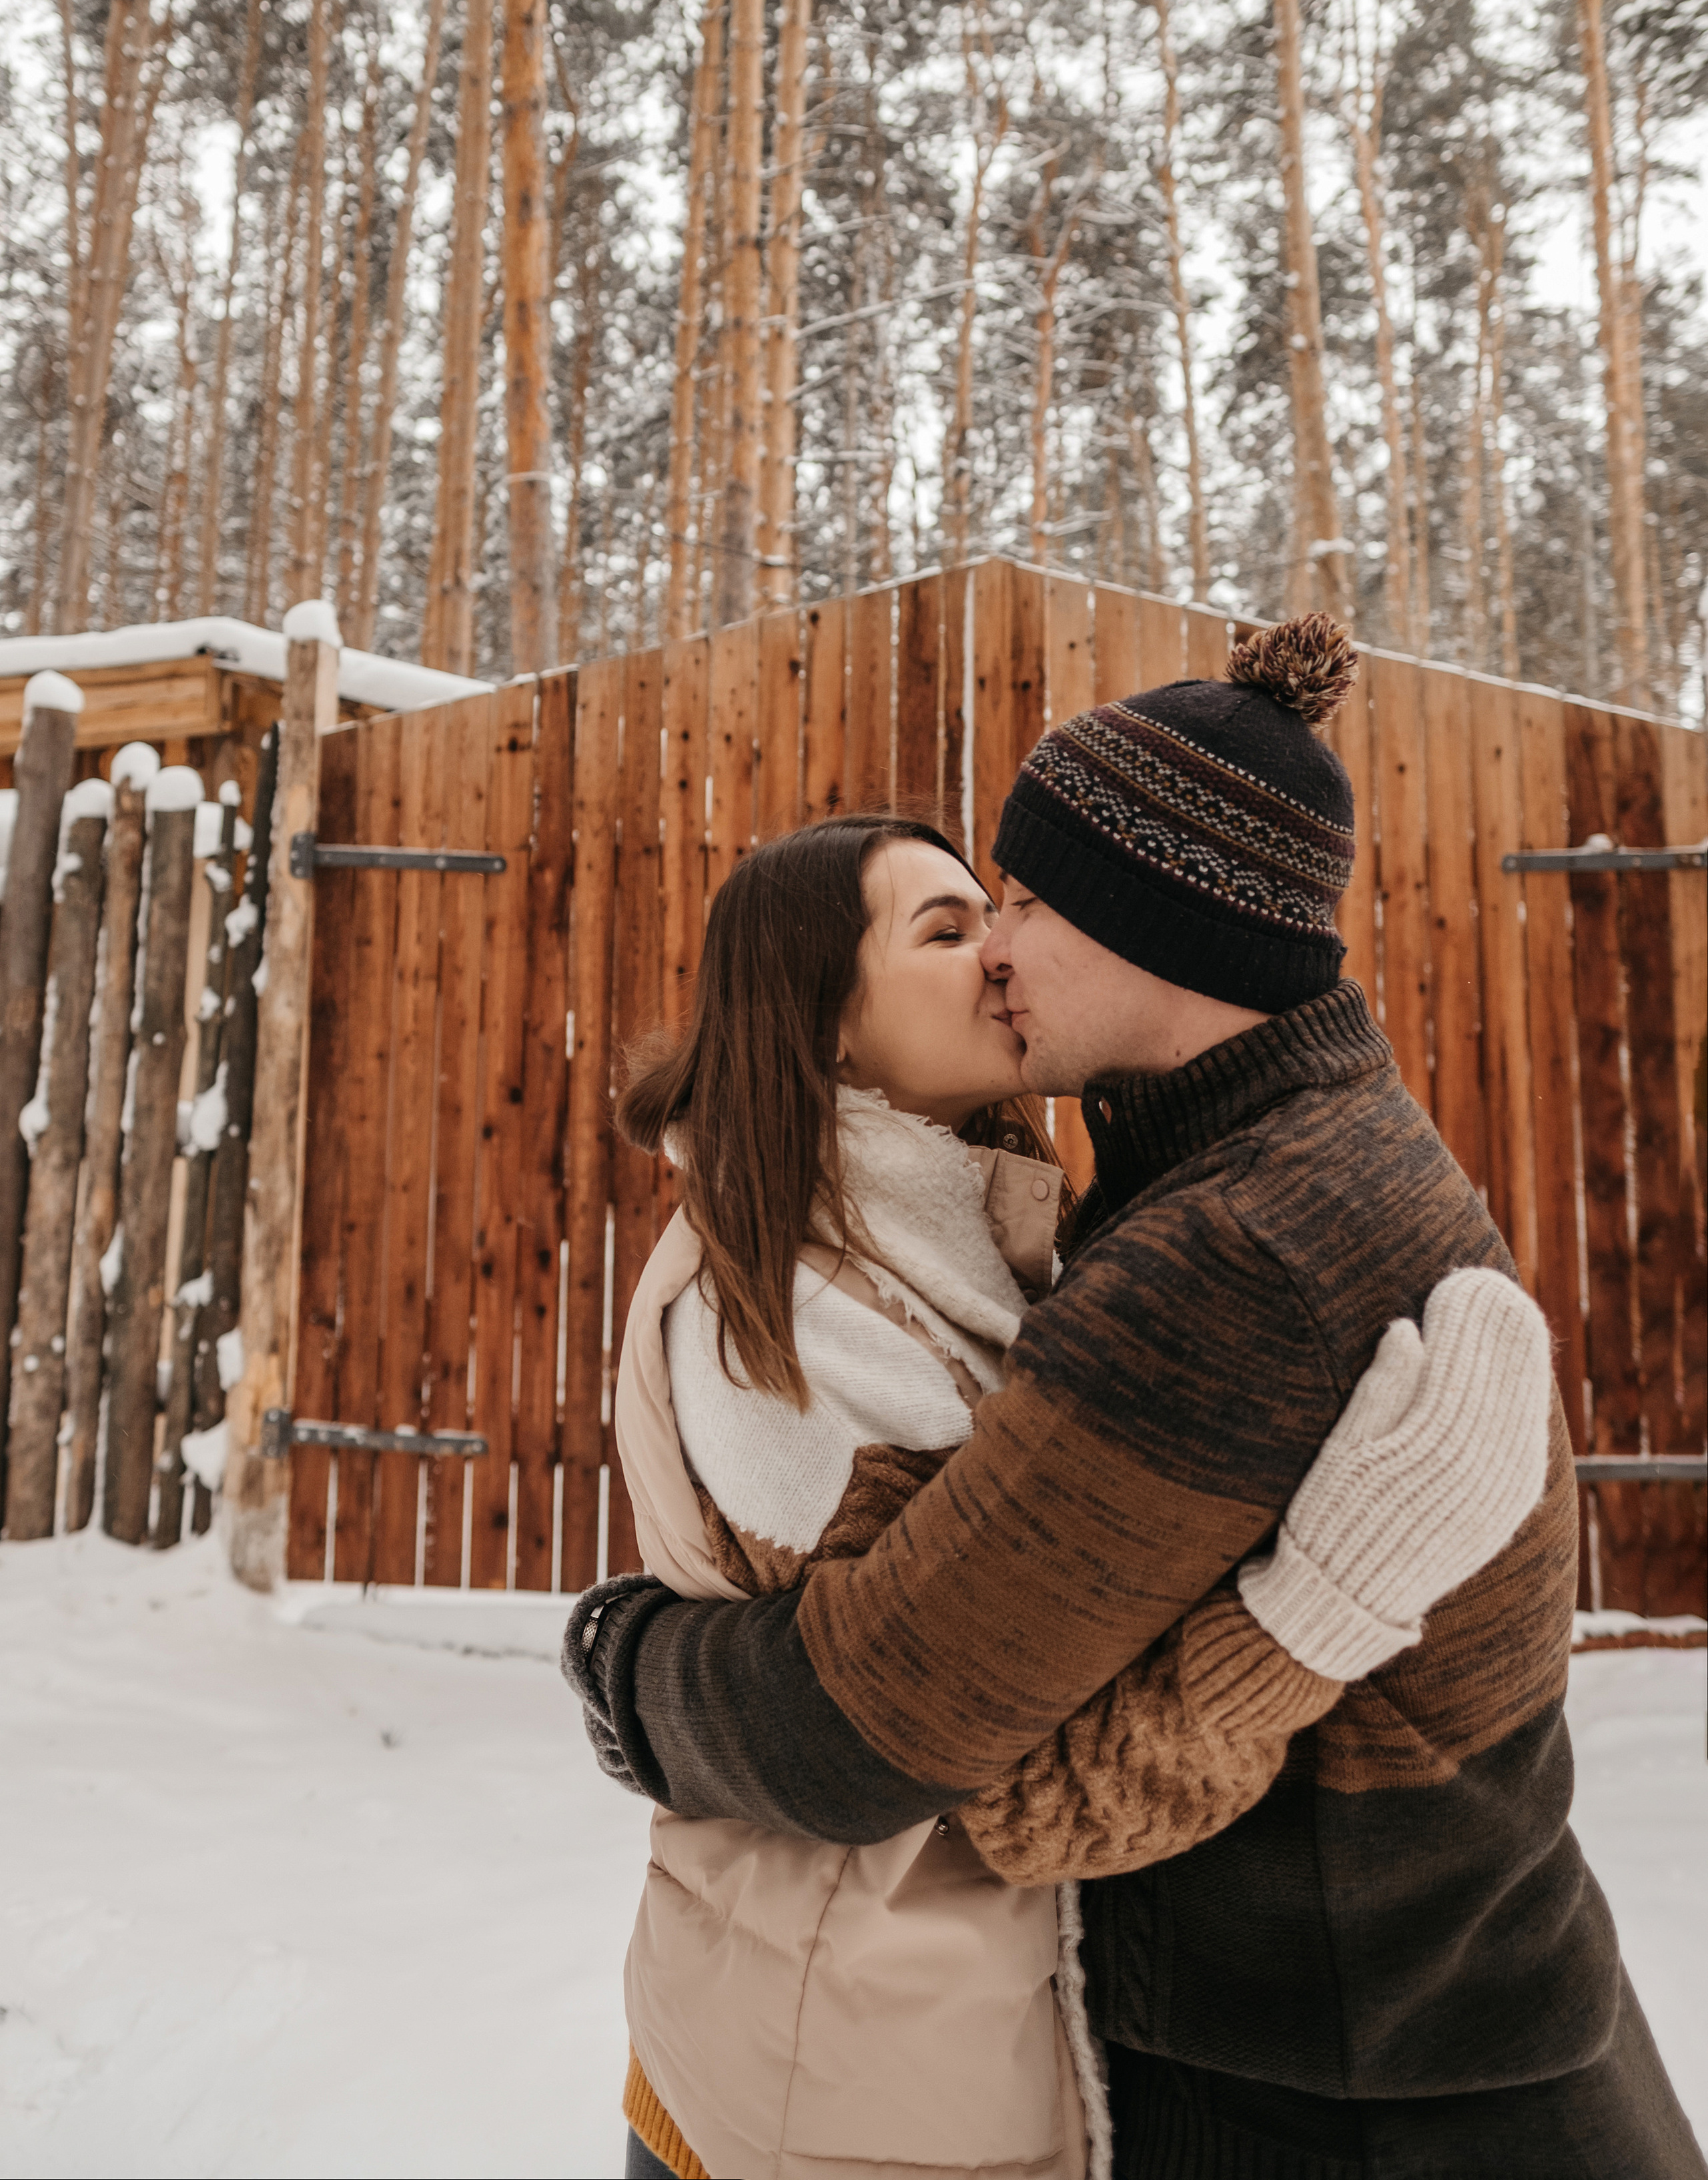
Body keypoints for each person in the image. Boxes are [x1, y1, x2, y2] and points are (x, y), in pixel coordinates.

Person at [570, 613, 1704, 2179]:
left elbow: (878, 1733)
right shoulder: (1276, 1143)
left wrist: (633, 1664)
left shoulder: (1229, 1250)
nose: (998, 950)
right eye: (965, 917)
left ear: (1151, 924)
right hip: (1409, 2017)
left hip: (1348, 2090)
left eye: (1024, 904)